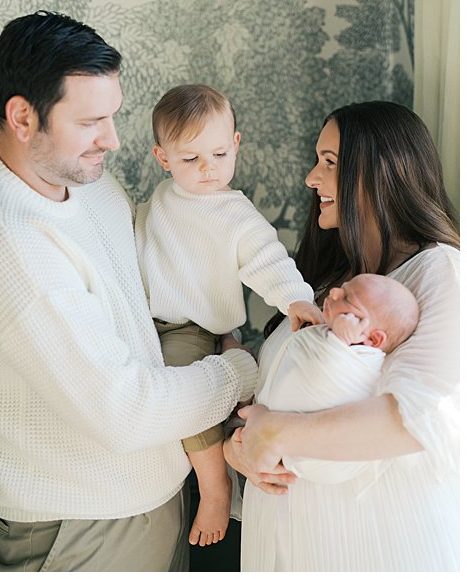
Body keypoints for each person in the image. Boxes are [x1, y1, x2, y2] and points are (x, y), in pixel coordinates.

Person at [0, 11, 260, 572]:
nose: (113, 138)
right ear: (22, 117)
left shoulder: (87, 178)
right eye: (91, 121)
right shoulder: (11, 245)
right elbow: (126, 411)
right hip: (83, 523)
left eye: (113, 115)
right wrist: (240, 370)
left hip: (147, 493)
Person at [223, 101, 459, 571]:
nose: (312, 178)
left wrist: (274, 431)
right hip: (289, 541)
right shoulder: (326, 289)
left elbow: (420, 418)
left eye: (330, 163)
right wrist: (240, 449)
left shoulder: (440, 271)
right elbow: (275, 396)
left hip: (373, 542)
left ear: (383, 172)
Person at [135, 84, 322, 547]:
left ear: (235, 144)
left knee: (184, 387)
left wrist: (296, 299)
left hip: (192, 327)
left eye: (219, 154)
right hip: (147, 320)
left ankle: (215, 488)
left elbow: (268, 259)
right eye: (190, 159)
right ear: (163, 158)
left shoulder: (236, 215)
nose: (207, 169)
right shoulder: (160, 198)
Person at [256, 273, 419, 484]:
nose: (334, 292)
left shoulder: (360, 361)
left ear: (373, 338)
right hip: (273, 430)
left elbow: (329, 377)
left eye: (348, 300)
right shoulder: (327, 331)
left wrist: (338, 344)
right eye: (342, 288)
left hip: (317, 455)